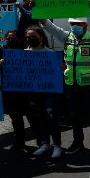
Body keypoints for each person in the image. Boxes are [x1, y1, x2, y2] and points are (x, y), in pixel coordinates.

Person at [40, 1, 90, 155]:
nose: (74, 26)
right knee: (74, 115)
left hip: (89, 85)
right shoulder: (67, 37)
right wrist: (38, 10)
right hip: (71, 84)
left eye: (77, 23)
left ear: (84, 25)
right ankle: (78, 142)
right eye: (72, 23)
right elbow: (49, 26)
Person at [23, 25, 64, 158]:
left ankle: (57, 145)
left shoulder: (50, 53)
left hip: (49, 91)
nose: (30, 39)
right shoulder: (23, 54)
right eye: (28, 37)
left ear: (41, 37)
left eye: (33, 36)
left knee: (51, 116)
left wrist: (61, 67)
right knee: (38, 118)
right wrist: (6, 63)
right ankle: (45, 143)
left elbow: (59, 72)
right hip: (32, 92)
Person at [0, 30, 39, 150]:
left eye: (13, 38)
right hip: (11, 92)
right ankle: (19, 142)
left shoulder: (26, 50)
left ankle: (41, 141)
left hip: (26, 91)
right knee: (16, 119)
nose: (10, 41)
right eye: (8, 39)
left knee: (32, 117)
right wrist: (0, 63)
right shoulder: (1, 51)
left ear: (18, 39)